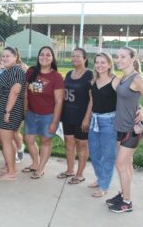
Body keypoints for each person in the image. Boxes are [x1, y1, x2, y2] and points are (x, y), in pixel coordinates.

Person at [107, 47, 143, 213]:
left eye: (123, 57)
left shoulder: (137, 78)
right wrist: (139, 107)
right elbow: (132, 100)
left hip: (132, 130)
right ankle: (124, 193)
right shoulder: (124, 78)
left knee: (120, 164)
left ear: (133, 59)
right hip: (121, 127)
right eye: (117, 56)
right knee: (127, 165)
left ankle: (127, 203)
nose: (118, 59)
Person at [23, 46, 64, 179]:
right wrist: (25, 109)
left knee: (46, 141)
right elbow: (25, 92)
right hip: (31, 112)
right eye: (42, 54)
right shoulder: (31, 72)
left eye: (48, 55)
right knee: (29, 139)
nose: (44, 57)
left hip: (48, 115)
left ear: (52, 58)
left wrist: (55, 121)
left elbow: (59, 101)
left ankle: (41, 168)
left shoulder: (56, 77)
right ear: (38, 56)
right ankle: (35, 163)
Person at [58, 47, 93, 184]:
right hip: (68, 115)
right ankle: (69, 170)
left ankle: (80, 174)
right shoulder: (69, 74)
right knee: (69, 143)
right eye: (73, 56)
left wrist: (86, 118)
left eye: (78, 56)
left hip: (81, 116)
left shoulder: (89, 75)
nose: (74, 59)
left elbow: (92, 99)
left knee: (81, 144)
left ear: (85, 59)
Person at [88, 53, 120, 197]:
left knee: (108, 156)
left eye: (103, 62)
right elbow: (92, 101)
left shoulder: (115, 81)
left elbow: (126, 99)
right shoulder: (93, 81)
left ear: (109, 64)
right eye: (97, 62)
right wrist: (86, 119)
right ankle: (101, 178)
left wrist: (140, 109)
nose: (99, 65)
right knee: (94, 154)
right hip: (94, 121)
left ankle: (104, 185)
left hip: (109, 122)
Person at [0, 47, 26, 181]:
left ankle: (11, 172)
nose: (4, 58)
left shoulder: (16, 70)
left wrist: (7, 111)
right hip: (3, 111)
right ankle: (10, 166)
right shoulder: (9, 70)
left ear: (15, 57)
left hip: (8, 112)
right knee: (8, 141)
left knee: (6, 142)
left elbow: (15, 91)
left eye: (8, 56)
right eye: (3, 56)